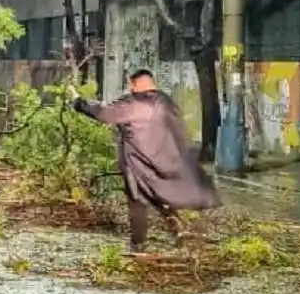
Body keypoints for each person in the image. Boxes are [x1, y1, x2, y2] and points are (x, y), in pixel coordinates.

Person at [70, 69, 221, 254]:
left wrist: (79, 102)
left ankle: (138, 245)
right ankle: (179, 229)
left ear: (133, 84)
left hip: (139, 164)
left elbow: (104, 113)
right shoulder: (166, 102)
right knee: (162, 197)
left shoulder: (132, 103)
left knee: (138, 202)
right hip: (167, 162)